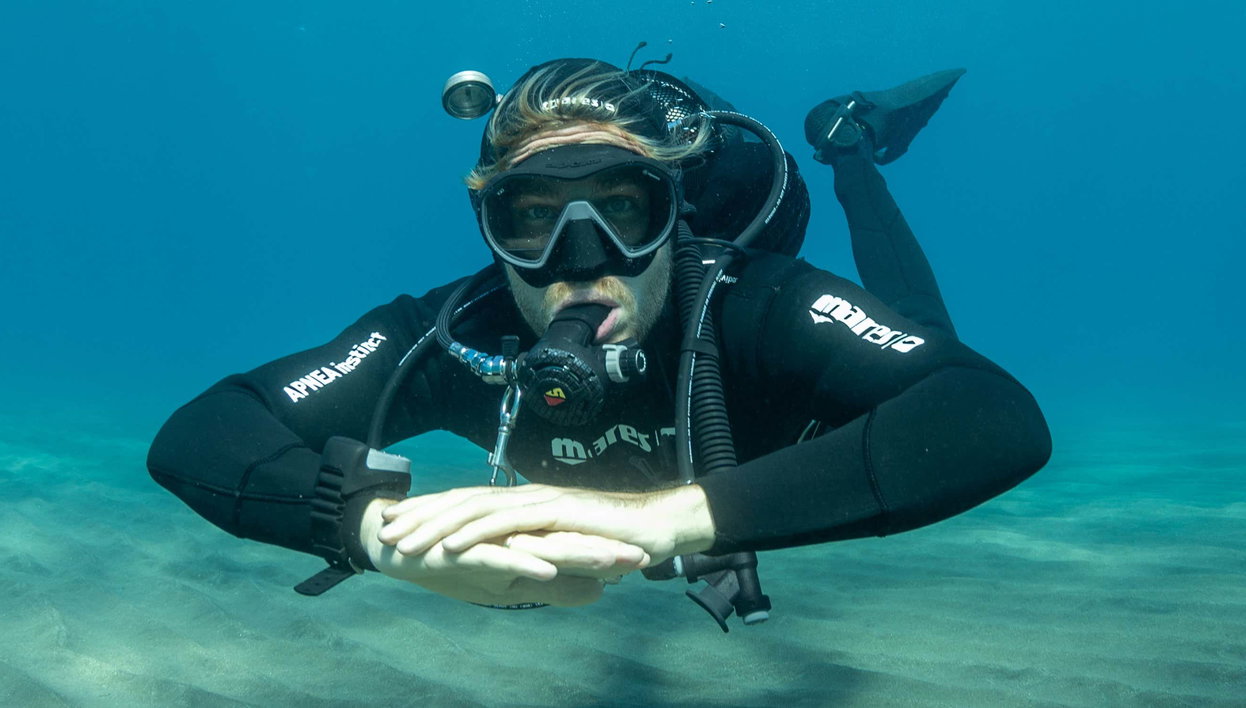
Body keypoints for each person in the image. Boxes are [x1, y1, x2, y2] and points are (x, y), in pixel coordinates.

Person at [148, 58, 1050, 617]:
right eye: (532, 220)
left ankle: (847, 141)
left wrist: (666, 520)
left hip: (767, 424)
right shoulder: (456, 336)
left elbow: (989, 415)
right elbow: (204, 431)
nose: (582, 264)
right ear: (491, 230)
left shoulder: (750, 301)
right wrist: (370, 532)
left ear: (673, 216)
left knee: (927, 344)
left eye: (623, 210)